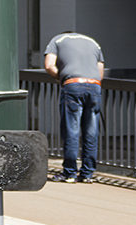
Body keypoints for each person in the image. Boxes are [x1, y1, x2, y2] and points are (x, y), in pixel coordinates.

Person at [44, 32, 105, 183]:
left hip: (73, 85)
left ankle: (69, 173)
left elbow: (49, 65)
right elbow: (100, 72)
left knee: (71, 129)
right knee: (91, 131)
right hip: (94, 86)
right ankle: (87, 174)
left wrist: (64, 77)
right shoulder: (94, 42)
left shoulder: (57, 39)